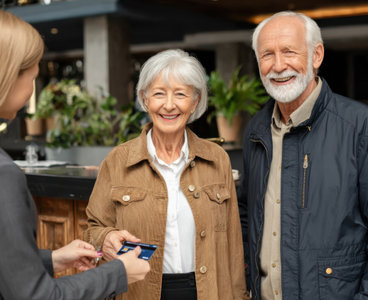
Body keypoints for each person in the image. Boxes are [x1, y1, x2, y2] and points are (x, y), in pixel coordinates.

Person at [239, 11, 368, 300]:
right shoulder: (257, 129)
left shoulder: (362, 127)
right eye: (267, 55)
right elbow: (247, 216)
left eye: (289, 52)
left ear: (316, 56)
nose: (278, 66)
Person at [0, 10, 150, 300]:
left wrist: (52, 260)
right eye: (32, 77)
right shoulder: (4, 176)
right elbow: (36, 296)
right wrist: (118, 273)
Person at [84, 49, 249, 300]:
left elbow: (233, 244)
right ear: (144, 99)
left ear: (194, 102)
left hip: (209, 291)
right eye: (159, 93)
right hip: (139, 292)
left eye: (180, 94)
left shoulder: (217, 159)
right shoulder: (117, 161)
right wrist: (105, 238)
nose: (169, 105)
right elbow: (93, 228)